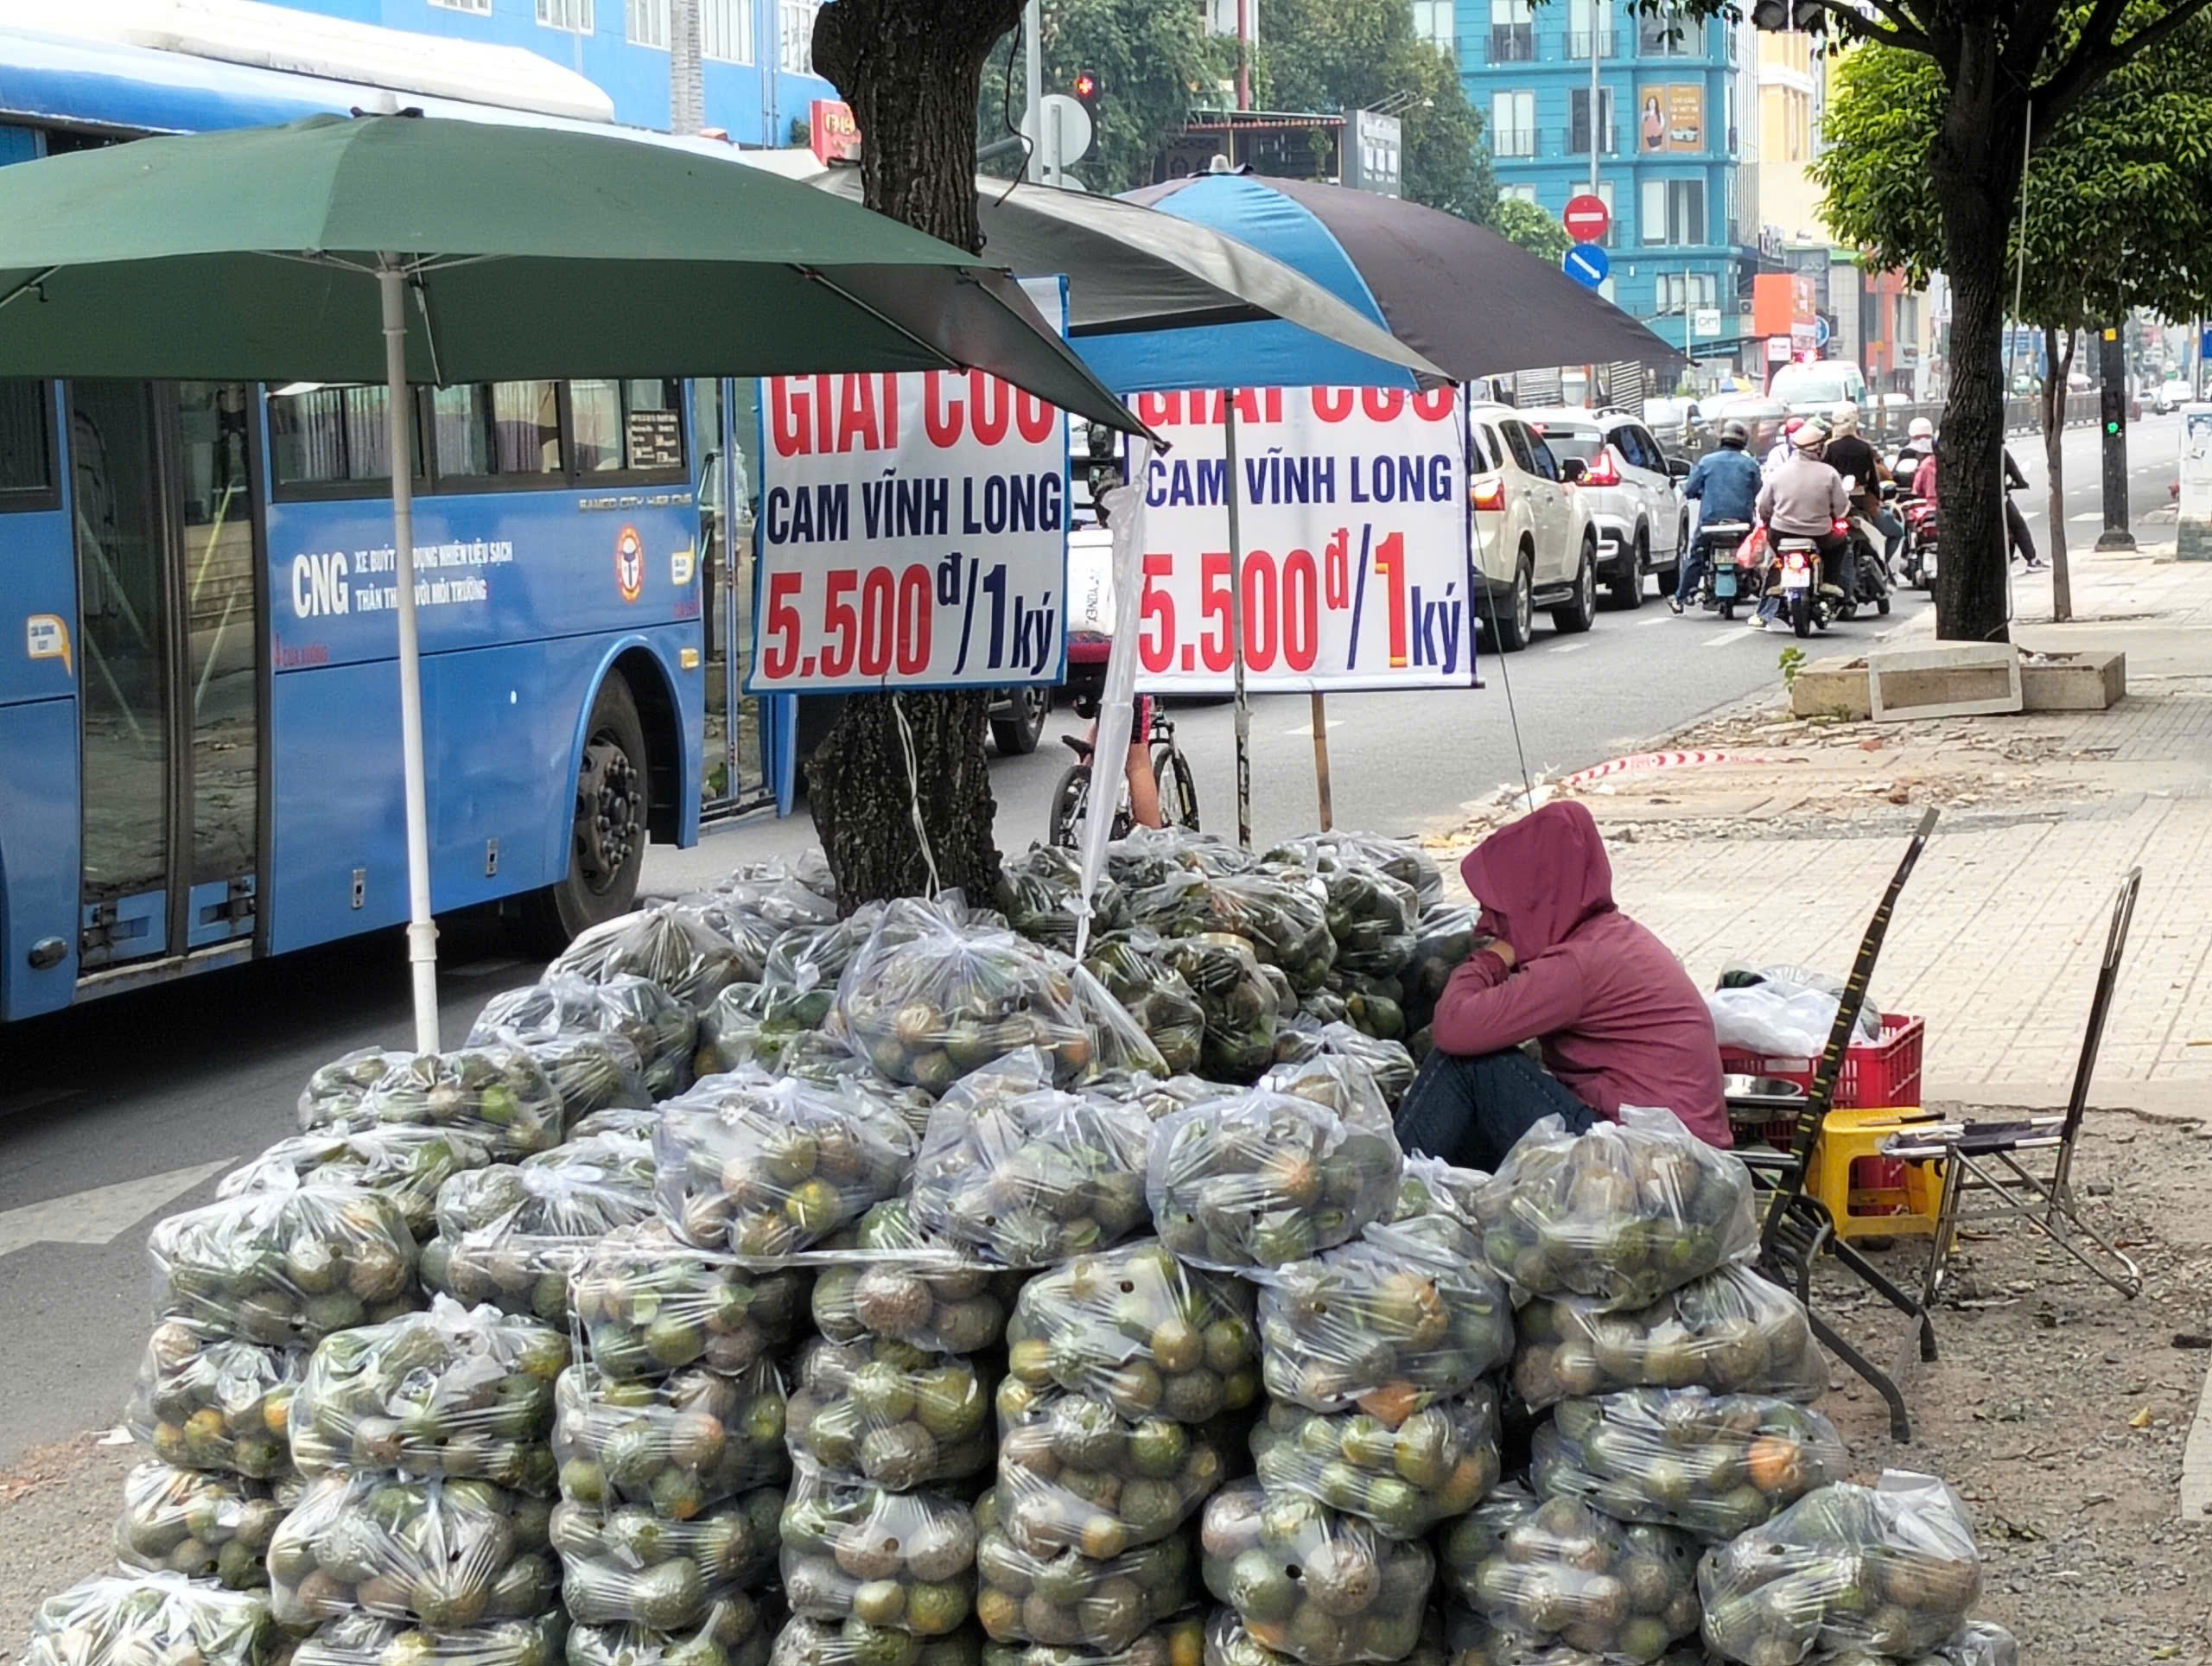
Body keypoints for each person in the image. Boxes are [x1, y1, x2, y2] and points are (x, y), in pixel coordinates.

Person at [1391, 801, 1730, 1173]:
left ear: (1535, 894)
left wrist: (1491, 960)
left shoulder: (1577, 964)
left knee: (1466, 1064)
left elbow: (1455, 1028)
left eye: (1498, 909)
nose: (1485, 925)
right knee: (1476, 1106)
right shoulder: (1611, 936)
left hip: (1646, 1165)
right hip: (1673, 1152)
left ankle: (1382, 1189)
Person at [1083, 466, 1164, 830]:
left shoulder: (1091, 546)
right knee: (1138, 760)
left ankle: (1075, 798)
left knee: (1097, 736)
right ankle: (1154, 846)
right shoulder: (1139, 549)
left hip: (1089, 657)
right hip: (1128, 662)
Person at [1754, 420, 1851, 630]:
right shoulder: (1829, 473)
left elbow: (1764, 507)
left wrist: (1769, 519)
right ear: (1819, 448)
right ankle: (1830, 581)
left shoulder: (1777, 473)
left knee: (1777, 555)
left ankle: (1778, 580)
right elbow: (1841, 507)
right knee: (1841, 542)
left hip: (1781, 533)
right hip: (1820, 534)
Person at [1670, 418, 1762, 614]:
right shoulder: (1749, 464)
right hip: (1742, 523)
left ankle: (1681, 597)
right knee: (1755, 551)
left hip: (1710, 523)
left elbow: (1690, 489)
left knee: (1696, 555)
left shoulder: (1706, 462)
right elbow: (1757, 490)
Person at [1821, 402, 1903, 574]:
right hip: (1864, 504)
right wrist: (1876, 497)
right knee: (1896, 532)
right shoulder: (1864, 447)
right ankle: (1884, 569)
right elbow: (1873, 479)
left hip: (1832, 509)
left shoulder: (1828, 448)